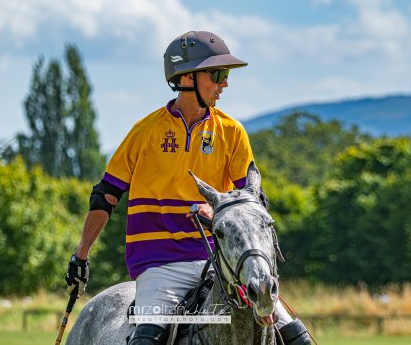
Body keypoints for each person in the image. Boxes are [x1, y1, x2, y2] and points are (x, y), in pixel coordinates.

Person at [65, 31, 311, 345]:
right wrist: (81, 256)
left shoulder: (231, 132)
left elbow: (251, 200)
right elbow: (105, 196)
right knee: (147, 338)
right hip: (159, 261)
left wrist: (221, 209)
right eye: (218, 74)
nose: (225, 84)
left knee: (295, 336)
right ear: (187, 77)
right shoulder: (145, 132)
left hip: (221, 262)